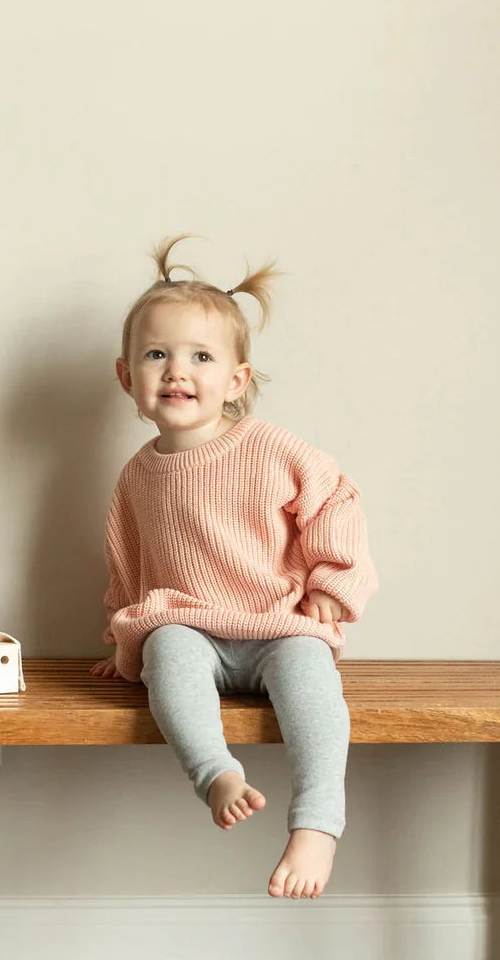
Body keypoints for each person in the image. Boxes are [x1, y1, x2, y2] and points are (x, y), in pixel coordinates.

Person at [90, 235, 378, 899]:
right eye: (156, 355)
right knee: (168, 652)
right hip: (192, 626)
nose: (176, 371)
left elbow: (338, 499)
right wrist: (121, 634)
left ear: (236, 380)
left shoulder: (269, 448)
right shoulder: (138, 474)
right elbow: (131, 562)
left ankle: (316, 822)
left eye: (200, 357)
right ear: (127, 377)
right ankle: (215, 773)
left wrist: (332, 583)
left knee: (314, 689)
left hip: (278, 625)